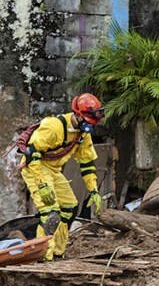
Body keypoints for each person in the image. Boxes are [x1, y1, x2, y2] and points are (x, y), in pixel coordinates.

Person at [20, 94, 106, 261]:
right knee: (50, 213)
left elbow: (87, 163)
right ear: (78, 115)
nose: (90, 126)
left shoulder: (82, 134)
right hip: (35, 167)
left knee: (70, 207)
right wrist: (42, 185)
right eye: (88, 121)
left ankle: (58, 251)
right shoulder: (53, 127)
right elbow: (32, 155)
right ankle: (43, 255)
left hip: (53, 170)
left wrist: (93, 190)